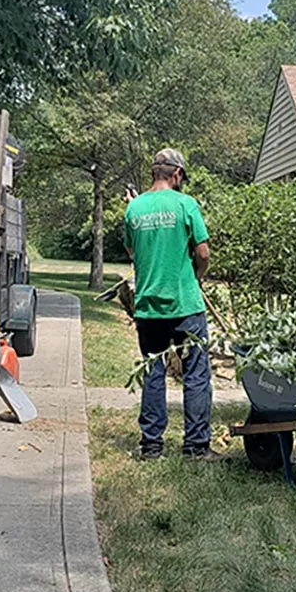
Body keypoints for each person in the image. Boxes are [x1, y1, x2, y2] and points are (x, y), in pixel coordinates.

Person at [123, 148, 223, 462]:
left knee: (153, 371)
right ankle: (195, 447)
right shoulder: (185, 204)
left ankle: (151, 446)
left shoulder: (134, 209)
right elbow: (204, 253)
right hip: (185, 304)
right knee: (195, 373)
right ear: (177, 174)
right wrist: (197, 276)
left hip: (149, 306)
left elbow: (131, 250)